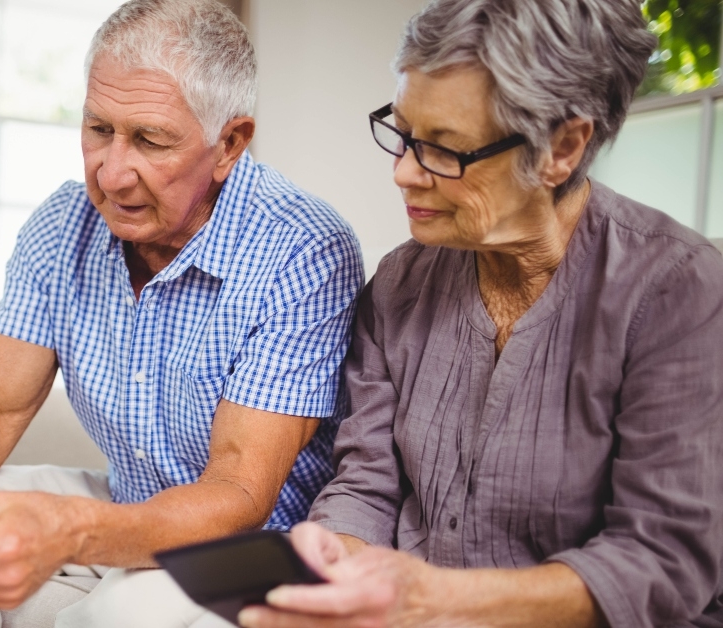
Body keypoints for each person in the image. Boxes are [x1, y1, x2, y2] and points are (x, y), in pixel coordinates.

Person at [0, 0, 363, 625]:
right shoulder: (63, 225)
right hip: (126, 500)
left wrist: (75, 532)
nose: (111, 174)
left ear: (230, 144)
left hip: (255, 547)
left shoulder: (302, 247)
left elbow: (239, 493)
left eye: (150, 140)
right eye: (98, 129)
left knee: (119, 613)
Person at [238, 1, 723, 627]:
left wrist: (432, 601)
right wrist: (335, 554)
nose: (403, 173)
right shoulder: (398, 284)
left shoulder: (676, 290)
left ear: (562, 147)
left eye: (444, 150)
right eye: (403, 132)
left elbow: (663, 559)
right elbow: (367, 486)